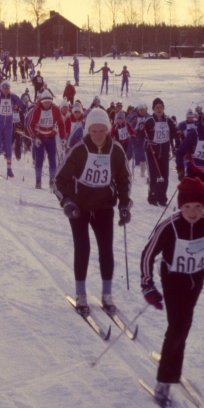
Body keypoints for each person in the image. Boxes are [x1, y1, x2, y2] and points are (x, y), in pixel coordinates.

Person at [140, 177, 204, 406]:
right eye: (187, 207)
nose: (192, 212)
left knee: (183, 325)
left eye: (198, 206)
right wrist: (148, 285)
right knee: (177, 327)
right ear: (180, 206)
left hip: (195, 281)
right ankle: (164, 381)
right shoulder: (169, 226)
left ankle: (172, 363)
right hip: (173, 280)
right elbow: (148, 254)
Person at [55, 107, 132, 315]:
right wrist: (67, 202)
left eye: (102, 130)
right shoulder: (78, 151)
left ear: (108, 130)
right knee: (83, 248)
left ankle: (107, 294)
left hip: (104, 206)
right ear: (88, 130)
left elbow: (124, 179)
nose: (98, 135)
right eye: (94, 131)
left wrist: (125, 204)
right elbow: (58, 180)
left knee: (106, 249)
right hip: (79, 208)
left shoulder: (116, 150)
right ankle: (81, 294)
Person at [26, 91, 65, 189]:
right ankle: (38, 181)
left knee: (52, 159)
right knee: (39, 159)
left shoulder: (55, 109)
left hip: (51, 137)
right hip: (40, 137)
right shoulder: (36, 110)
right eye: (45, 102)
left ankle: (52, 181)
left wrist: (63, 137)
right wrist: (34, 137)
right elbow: (29, 125)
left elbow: (61, 123)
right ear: (41, 102)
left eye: (49, 102)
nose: (47, 104)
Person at [0, 80, 26, 178]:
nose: (6, 91)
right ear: (1, 89)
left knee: (8, 145)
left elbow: (21, 104)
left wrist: (24, 108)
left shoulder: (13, 97)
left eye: (7, 89)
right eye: (4, 89)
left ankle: (9, 170)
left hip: (8, 123)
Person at [144, 98, 178, 207]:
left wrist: (177, 136)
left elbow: (174, 132)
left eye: (161, 107)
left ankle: (162, 197)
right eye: (157, 107)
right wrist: (140, 128)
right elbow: (140, 134)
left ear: (163, 108)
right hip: (152, 152)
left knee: (164, 175)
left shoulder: (168, 120)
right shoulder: (149, 121)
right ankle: (152, 195)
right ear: (153, 109)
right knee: (154, 175)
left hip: (164, 151)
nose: (159, 109)